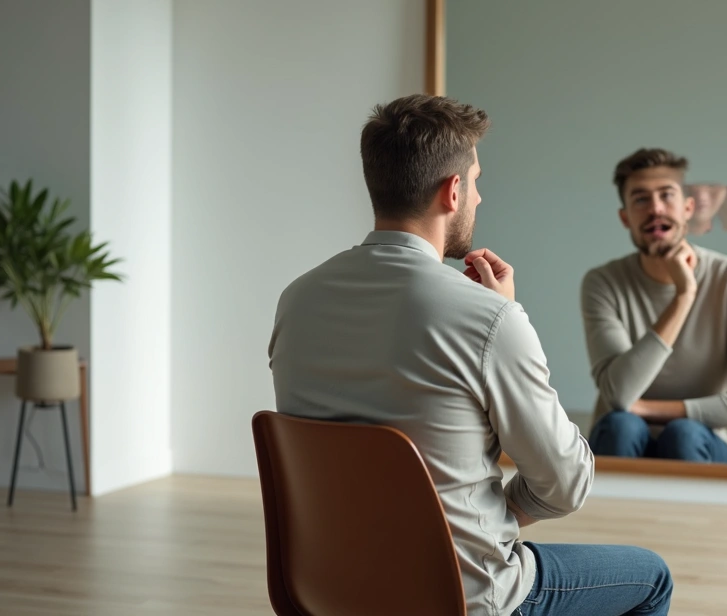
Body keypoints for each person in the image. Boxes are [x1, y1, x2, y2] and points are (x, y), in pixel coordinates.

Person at [268, 95, 672, 616]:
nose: (479, 197)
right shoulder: (488, 318)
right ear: (452, 191)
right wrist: (505, 318)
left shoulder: (298, 299)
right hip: (460, 596)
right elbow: (567, 482)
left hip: (330, 589)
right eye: (476, 181)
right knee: (651, 577)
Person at [581, 147, 727, 465]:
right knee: (621, 426)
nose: (655, 208)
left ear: (688, 208)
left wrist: (647, 409)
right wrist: (683, 297)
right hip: (623, 439)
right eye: (640, 199)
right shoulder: (603, 283)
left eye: (667, 195)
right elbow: (619, 395)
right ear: (625, 218)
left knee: (684, 435)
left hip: (707, 444)